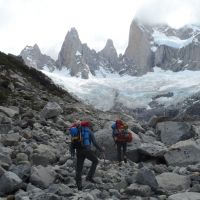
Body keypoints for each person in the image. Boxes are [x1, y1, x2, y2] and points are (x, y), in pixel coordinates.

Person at [69, 121, 104, 191]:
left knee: (79, 169)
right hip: (87, 151)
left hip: (78, 151)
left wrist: (72, 153)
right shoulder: (88, 131)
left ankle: (79, 186)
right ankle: (89, 177)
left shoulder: (77, 131)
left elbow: (72, 143)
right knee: (95, 161)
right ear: (88, 126)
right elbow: (94, 143)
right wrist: (101, 149)